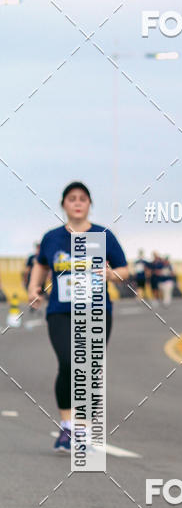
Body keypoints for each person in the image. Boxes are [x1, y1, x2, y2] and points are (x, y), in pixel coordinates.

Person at [28, 182, 128, 452]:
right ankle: (67, 426)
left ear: (89, 204)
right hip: (61, 311)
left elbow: (124, 269)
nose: (77, 203)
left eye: (83, 198)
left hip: (96, 311)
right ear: (64, 204)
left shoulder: (102, 235)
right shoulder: (53, 238)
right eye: (72, 198)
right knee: (69, 362)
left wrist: (110, 274)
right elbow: (40, 263)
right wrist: (33, 288)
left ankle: (81, 431)